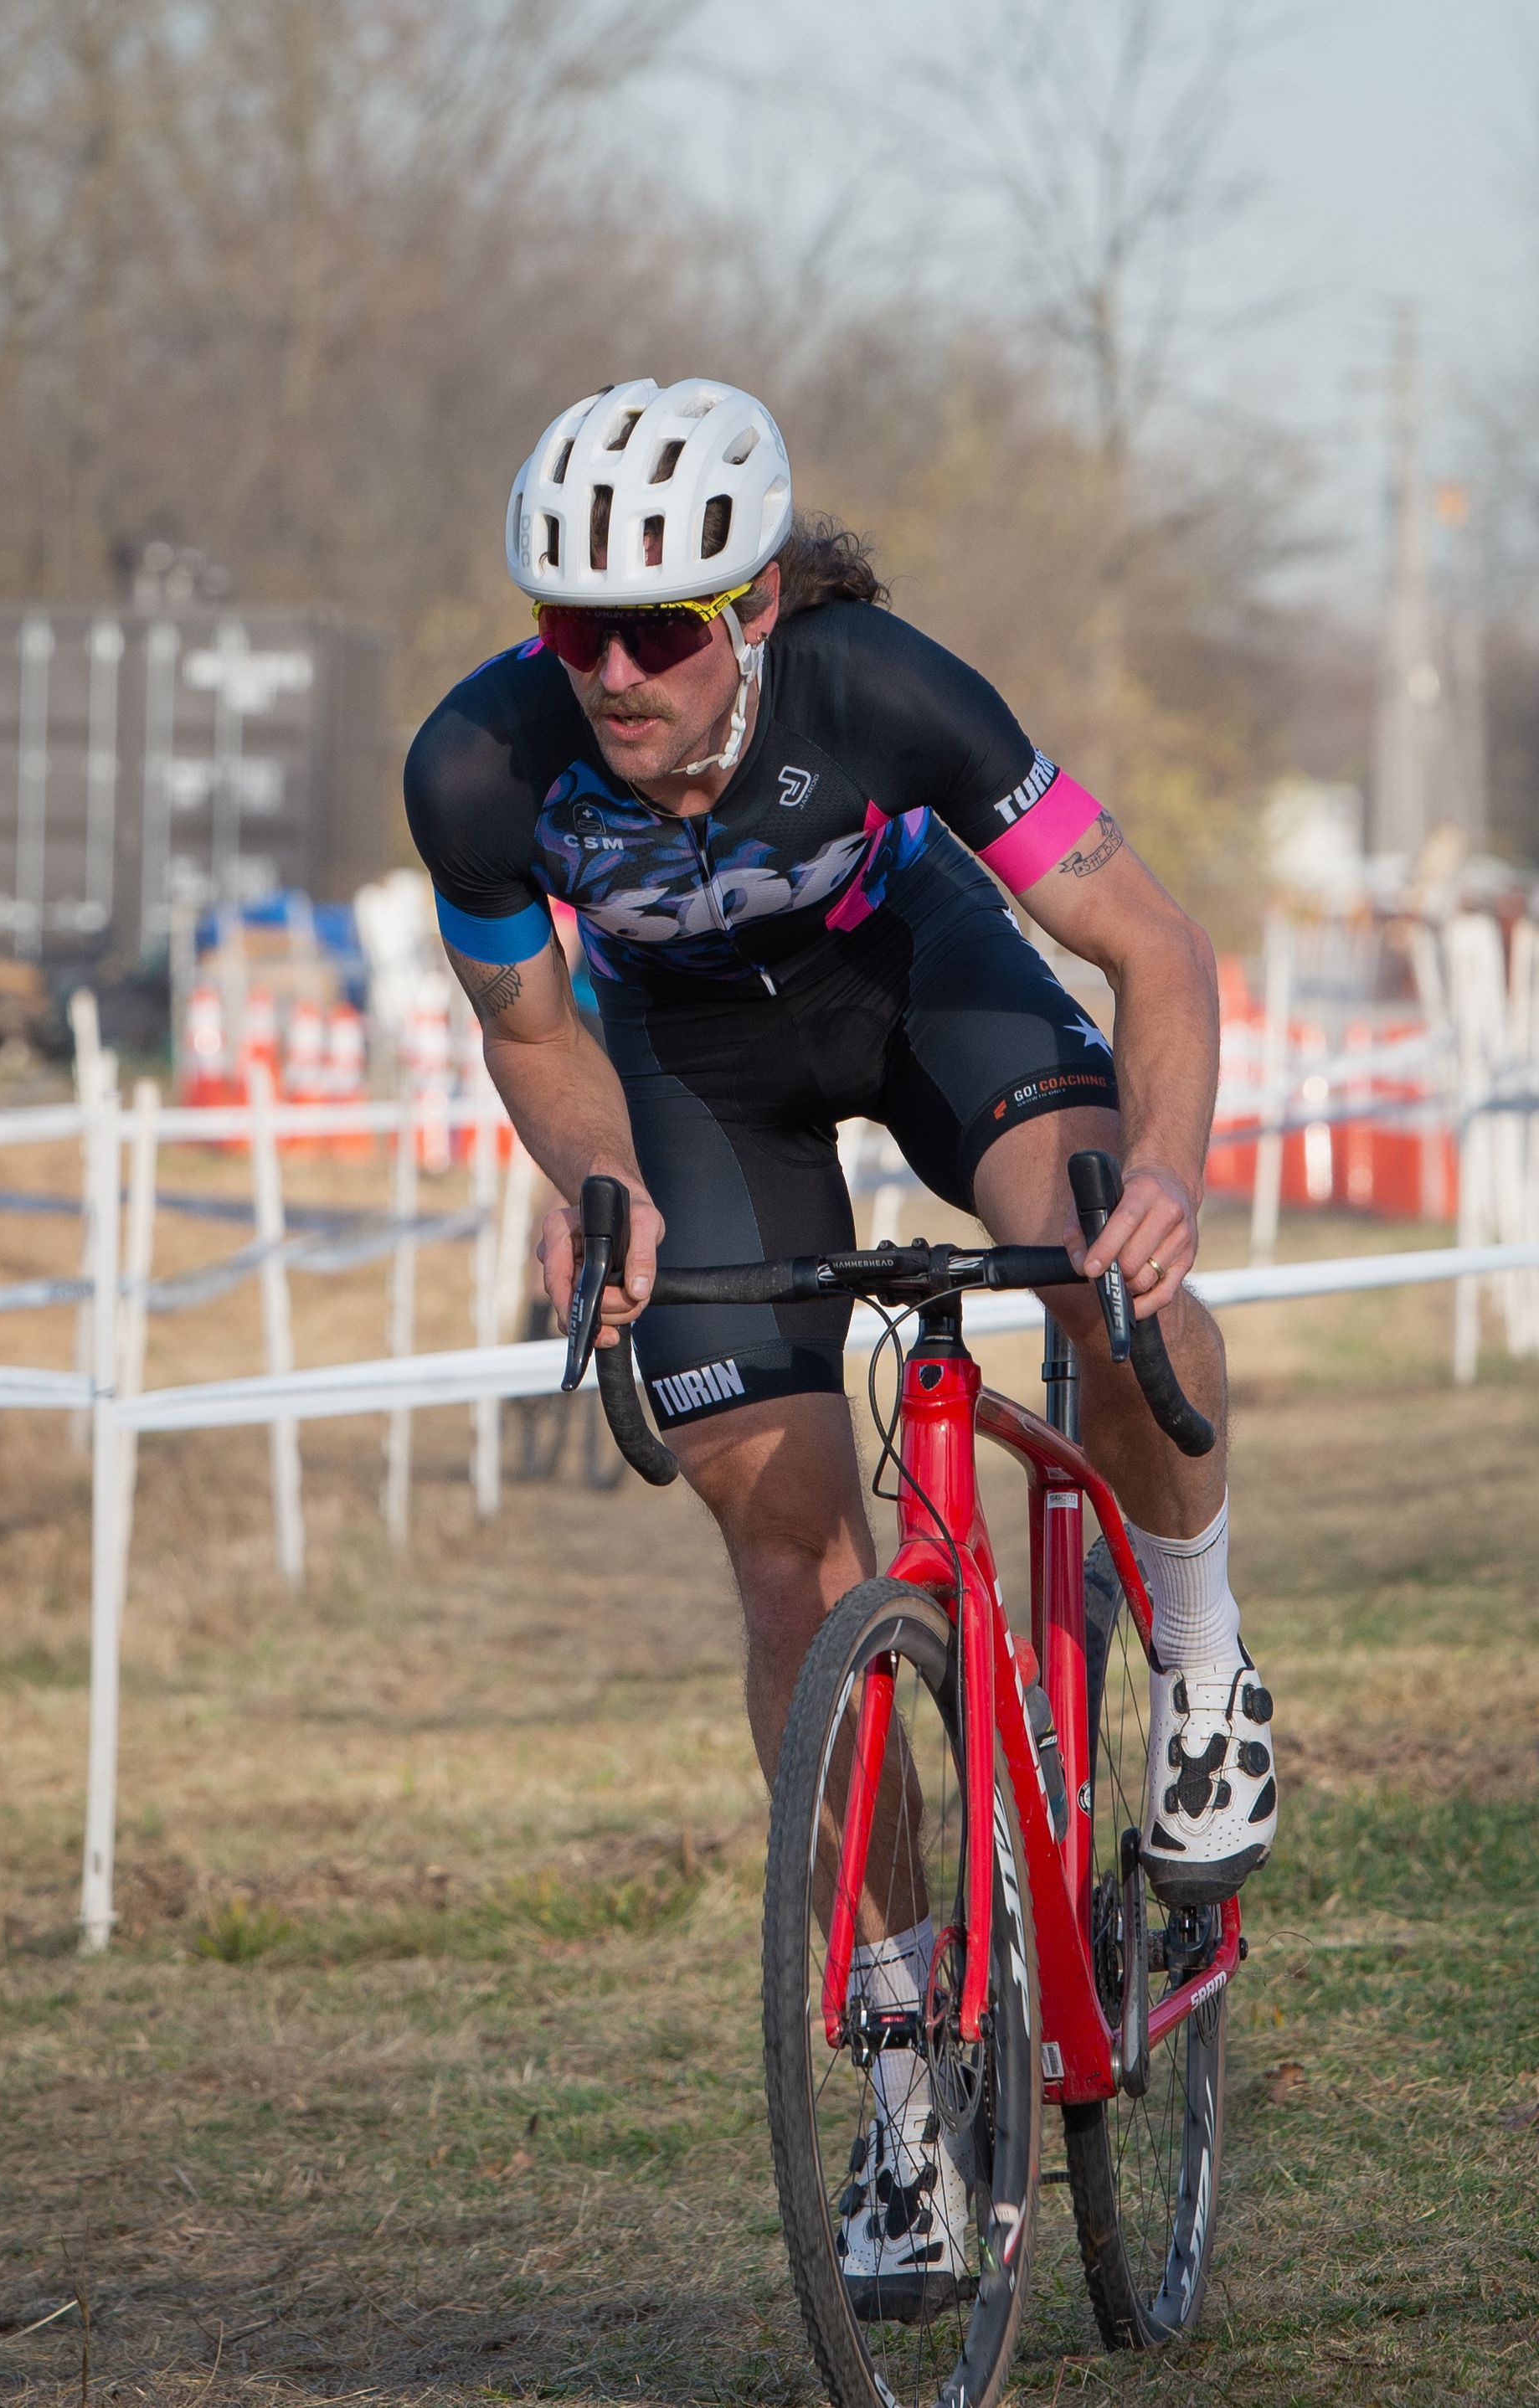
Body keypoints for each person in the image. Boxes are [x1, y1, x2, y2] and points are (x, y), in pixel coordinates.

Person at [405, 375, 1277, 2302]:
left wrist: (1170, 1180)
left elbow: (1156, 947)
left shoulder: (887, 690)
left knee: (1098, 1286)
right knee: (794, 1555)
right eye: (575, 629)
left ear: (757, 613)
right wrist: (601, 1195)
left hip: (924, 983)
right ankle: (899, 2082)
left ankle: (1205, 1665)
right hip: (700, 1069)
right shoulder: (477, 766)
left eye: (658, 630)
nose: (612, 672)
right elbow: (537, 1034)